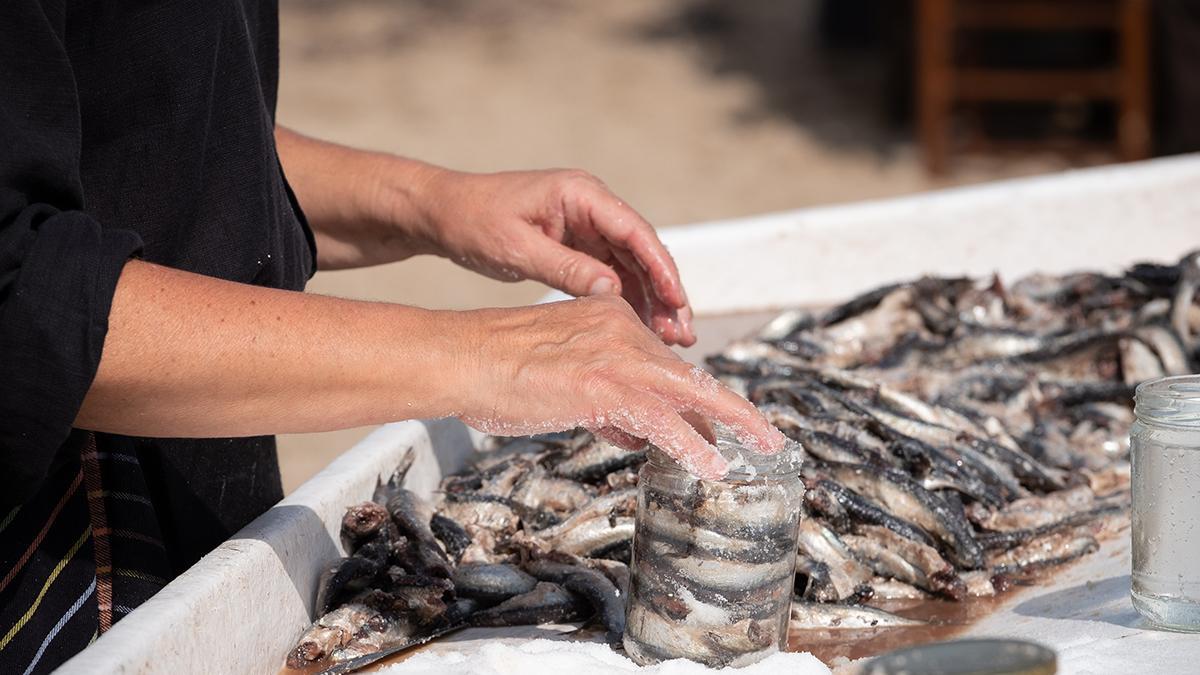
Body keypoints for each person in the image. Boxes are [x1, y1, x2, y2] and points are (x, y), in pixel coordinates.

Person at [0, 1, 786, 670]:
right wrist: (486, 356)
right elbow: (23, 293)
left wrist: (430, 203)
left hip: (196, 522)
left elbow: (155, 135)